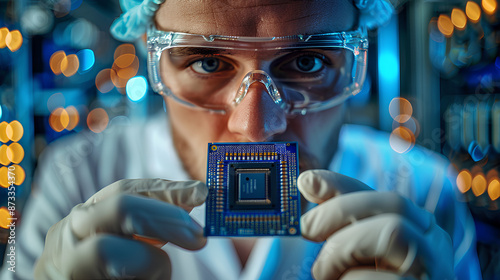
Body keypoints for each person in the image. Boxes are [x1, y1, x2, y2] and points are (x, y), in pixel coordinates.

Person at [1, 0, 483, 279]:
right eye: (208, 63)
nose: (254, 128)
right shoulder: (77, 177)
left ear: (355, 64)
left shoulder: (423, 191)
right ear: (155, 63)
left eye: (308, 62)